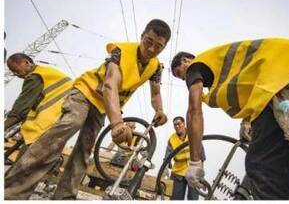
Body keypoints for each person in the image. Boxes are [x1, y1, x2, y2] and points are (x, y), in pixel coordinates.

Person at [4, 19, 170, 199]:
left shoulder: (155, 67)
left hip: (102, 105)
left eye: (159, 46)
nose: (152, 49)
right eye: (149, 42)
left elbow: (155, 94)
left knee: (85, 147)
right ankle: (13, 191)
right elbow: (109, 84)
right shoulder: (120, 51)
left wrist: (159, 110)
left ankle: (65, 196)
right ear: (142, 36)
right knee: (70, 124)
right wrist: (116, 123)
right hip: (85, 93)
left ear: (164, 46)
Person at [170, 39, 289, 199]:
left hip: (286, 78)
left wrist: (195, 162)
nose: (184, 79)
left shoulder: (195, 67)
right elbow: (250, 88)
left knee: (262, 165)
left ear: (186, 60)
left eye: (180, 74)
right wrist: (247, 121)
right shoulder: (218, 71)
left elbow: (193, 111)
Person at [4, 53, 73, 162]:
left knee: (20, 167)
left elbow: (20, 110)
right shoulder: (49, 73)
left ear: (27, 62)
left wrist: (4, 126)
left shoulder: (35, 76)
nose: (15, 74)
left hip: (43, 127)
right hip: (62, 123)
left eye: (15, 70)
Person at [163, 116, 206, 200]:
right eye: (175, 125)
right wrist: (165, 170)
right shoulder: (172, 139)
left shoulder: (193, 135)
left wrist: (200, 174)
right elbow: (167, 157)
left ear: (184, 124)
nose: (177, 126)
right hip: (178, 174)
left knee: (193, 199)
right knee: (175, 199)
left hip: (193, 172)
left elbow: (202, 155)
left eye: (179, 124)